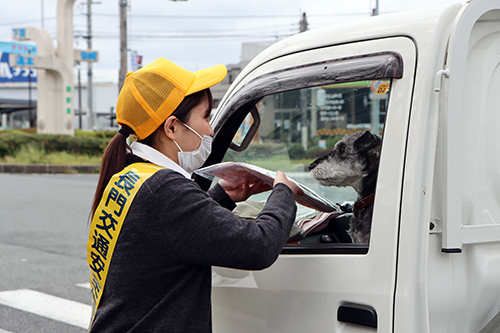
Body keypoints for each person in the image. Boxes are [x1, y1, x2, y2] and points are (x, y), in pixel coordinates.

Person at [87, 57, 302, 332]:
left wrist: (221, 198)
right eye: (205, 117)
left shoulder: (132, 179)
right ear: (172, 127)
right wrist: (283, 192)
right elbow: (257, 247)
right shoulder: (165, 190)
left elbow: (172, 233)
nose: (211, 129)